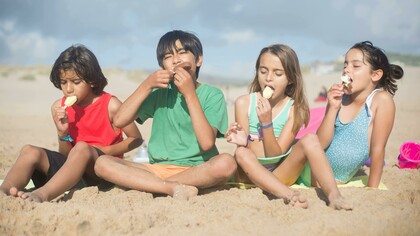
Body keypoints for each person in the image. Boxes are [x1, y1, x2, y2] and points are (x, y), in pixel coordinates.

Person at [94, 30, 237, 200]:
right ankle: (169, 187)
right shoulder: (159, 92)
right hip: (157, 169)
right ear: (162, 66)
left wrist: (189, 94)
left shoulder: (213, 95)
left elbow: (206, 143)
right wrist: (146, 85)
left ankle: (157, 185)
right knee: (102, 163)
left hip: (197, 169)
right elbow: (119, 120)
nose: (176, 60)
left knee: (226, 163)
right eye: (168, 56)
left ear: (198, 60)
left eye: (182, 52)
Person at [0, 44, 142, 202]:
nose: (68, 89)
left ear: (92, 81)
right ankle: (5, 190)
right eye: (63, 82)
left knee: (82, 147)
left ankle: (42, 194)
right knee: (29, 151)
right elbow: (66, 156)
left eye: (75, 81)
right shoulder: (58, 107)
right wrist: (63, 134)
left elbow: (136, 139)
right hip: (72, 173)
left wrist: (105, 150)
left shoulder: (111, 105)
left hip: (102, 171)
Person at [225, 44, 351, 210]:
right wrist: (243, 141)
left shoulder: (296, 109)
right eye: (263, 71)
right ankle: (288, 194)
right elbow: (247, 153)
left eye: (278, 73)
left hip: (280, 173)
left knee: (311, 139)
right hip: (250, 176)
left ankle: (334, 195)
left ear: (291, 78)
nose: (268, 78)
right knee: (241, 152)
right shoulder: (244, 103)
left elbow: (276, 154)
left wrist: (267, 123)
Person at [313, 41, 404, 187]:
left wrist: (373, 188)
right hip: (309, 170)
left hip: (331, 179)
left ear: (375, 75)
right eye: (345, 65)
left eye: (355, 66)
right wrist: (332, 108)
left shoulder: (381, 101)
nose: (346, 70)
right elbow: (319, 144)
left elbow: (378, 148)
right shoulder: (340, 99)